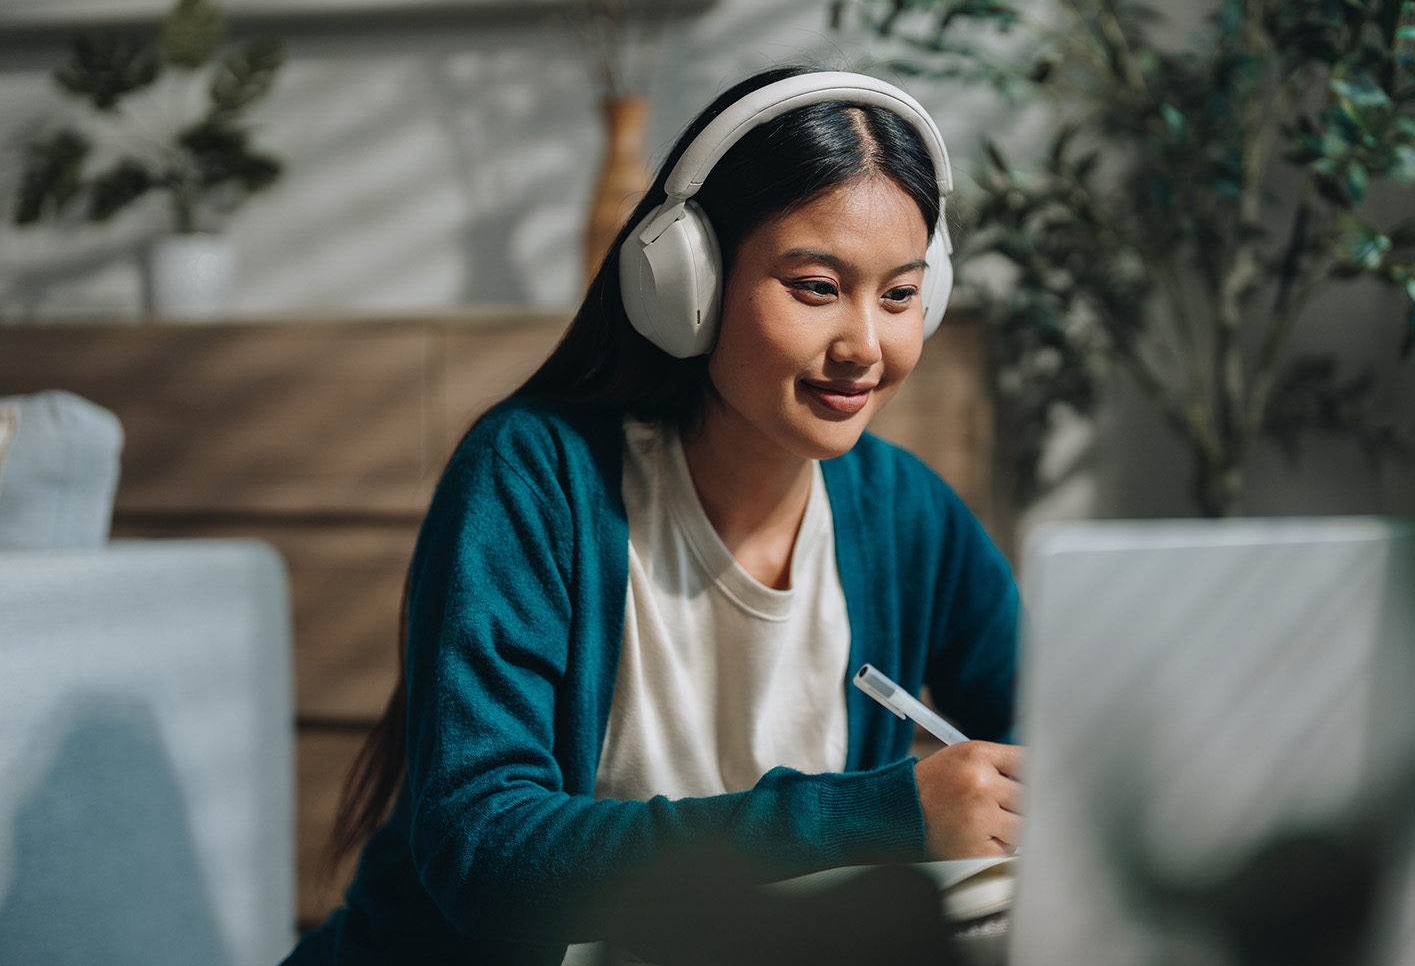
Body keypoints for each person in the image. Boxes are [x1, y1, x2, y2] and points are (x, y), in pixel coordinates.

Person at [284, 66, 1023, 966]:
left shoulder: (908, 517)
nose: (865, 346)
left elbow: (1055, 742)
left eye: (900, 295)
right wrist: (878, 817)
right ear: (690, 280)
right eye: (817, 287)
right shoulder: (534, 477)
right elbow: (483, 853)